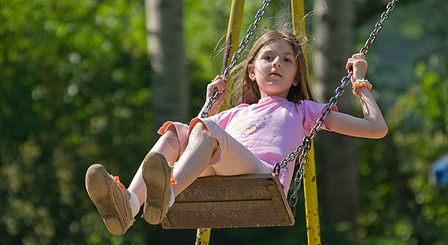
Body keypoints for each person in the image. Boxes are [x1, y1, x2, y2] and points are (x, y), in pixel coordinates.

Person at [85, 30, 388, 235]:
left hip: (262, 176)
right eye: (268, 57)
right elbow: (195, 139)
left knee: (206, 130)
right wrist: (210, 105)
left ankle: (168, 194)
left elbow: (376, 129)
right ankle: (129, 205)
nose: (277, 64)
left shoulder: (304, 110)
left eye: (287, 60)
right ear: (252, 71)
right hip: (216, 167)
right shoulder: (234, 114)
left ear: (296, 77)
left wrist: (359, 85)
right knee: (177, 132)